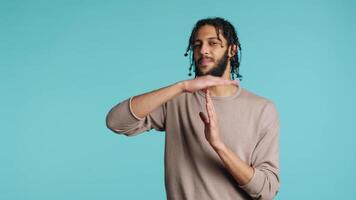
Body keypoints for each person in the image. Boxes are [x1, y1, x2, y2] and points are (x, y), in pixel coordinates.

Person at [106, 17, 280, 200]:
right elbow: (116, 122)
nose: (203, 50)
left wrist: (219, 146)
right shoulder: (176, 100)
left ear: (232, 50)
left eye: (213, 43)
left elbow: (266, 190)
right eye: (197, 45)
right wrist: (181, 87)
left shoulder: (262, 109)